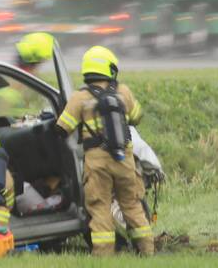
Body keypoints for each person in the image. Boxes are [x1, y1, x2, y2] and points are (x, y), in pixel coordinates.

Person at [55, 46, 153, 256]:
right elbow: (137, 117)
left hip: (97, 161)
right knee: (132, 205)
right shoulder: (123, 92)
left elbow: (62, 128)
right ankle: (146, 251)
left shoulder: (79, 98)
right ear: (109, 68)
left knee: (100, 207)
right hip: (124, 159)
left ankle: (103, 257)